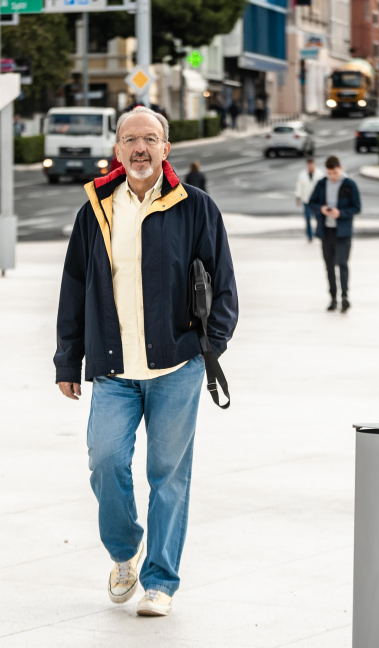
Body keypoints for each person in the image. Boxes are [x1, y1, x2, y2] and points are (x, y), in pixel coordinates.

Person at [54, 105, 238, 617]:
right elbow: (73, 289)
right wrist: (68, 360)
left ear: (165, 148)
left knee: (167, 475)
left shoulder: (196, 207)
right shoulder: (96, 210)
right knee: (105, 461)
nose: (140, 148)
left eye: (150, 139)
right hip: (114, 370)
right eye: (131, 139)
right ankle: (124, 551)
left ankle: (160, 582)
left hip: (176, 368)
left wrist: (207, 348)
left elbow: (224, 287)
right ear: (117, 150)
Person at [307, 156, 362, 313]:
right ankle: (333, 298)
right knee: (329, 266)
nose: (332, 176)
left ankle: (345, 297)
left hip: (343, 232)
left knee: (343, 264)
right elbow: (311, 203)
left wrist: (341, 213)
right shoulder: (322, 184)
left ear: (341, 168)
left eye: (335, 173)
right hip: (326, 231)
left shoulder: (349, 184)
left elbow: (357, 207)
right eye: (329, 173)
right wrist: (321, 209)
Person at [294, 157, 322, 243]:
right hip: (306, 200)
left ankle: (319, 233)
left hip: (317, 200)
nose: (310, 166)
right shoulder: (302, 174)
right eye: (309, 165)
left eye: (311, 165)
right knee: (307, 218)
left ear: (314, 164)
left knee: (318, 218)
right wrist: (298, 197)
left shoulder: (319, 174)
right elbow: (299, 186)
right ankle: (310, 235)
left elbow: (322, 187)